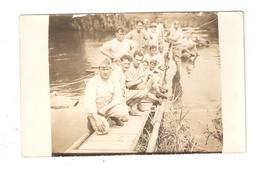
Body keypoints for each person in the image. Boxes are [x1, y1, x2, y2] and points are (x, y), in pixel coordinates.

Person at [84, 58, 129, 135]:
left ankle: (111, 117)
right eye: (103, 69)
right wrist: (95, 116)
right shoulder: (93, 82)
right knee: (104, 130)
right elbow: (89, 102)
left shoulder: (114, 80)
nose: (105, 72)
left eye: (107, 69)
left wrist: (105, 109)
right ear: (99, 70)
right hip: (96, 110)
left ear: (111, 70)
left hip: (106, 108)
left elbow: (118, 98)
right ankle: (91, 119)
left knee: (125, 115)